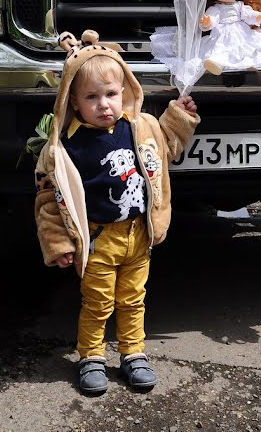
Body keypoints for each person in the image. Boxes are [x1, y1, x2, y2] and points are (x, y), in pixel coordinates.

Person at [34, 29, 200, 395]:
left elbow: (167, 147)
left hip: (138, 234)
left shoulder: (139, 128)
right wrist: (59, 243)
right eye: (92, 97)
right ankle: (91, 356)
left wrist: (179, 117)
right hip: (97, 239)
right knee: (97, 302)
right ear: (73, 102)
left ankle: (133, 353)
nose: (104, 104)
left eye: (111, 94)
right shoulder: (64, 149)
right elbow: (49, 200)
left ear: (124, 92)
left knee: (133, 298)